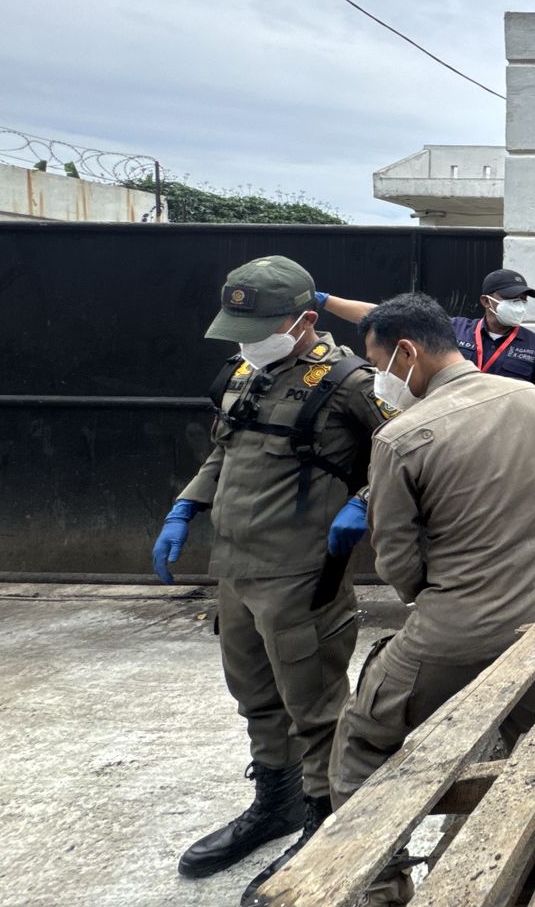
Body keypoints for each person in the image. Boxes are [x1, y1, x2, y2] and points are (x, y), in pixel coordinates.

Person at [148, 255, 390, 896]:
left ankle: (324, 818)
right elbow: (227, 447)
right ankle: (276, 803)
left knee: (314, 706)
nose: (244, 339)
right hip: (234, 565)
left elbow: (406, 450)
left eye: (257, 325)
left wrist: (362, 502)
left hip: (302, 573)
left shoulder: (351, 383)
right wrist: (186, 504)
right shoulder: (241, 371)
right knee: (255, 696)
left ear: (305, 320)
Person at [327, 292, 535, 904]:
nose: (381, 379)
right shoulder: (530, 400)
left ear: (406, 352)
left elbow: (399, 564)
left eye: (379, 362)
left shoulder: (403, 437)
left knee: (360, 740)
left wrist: (434, 601)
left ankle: (380, 887)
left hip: (457, 627)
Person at [318, 268, 535, 499]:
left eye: (522, 299)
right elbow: (384, 318)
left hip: (504, 445)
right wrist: (326, 301)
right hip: (449, 437)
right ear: (486, 301)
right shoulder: (454, 330)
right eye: (511, 298)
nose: (518, 305)